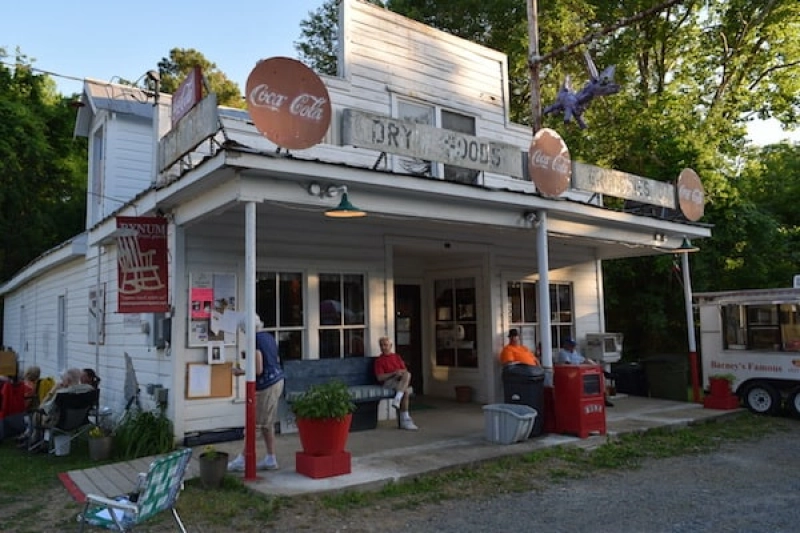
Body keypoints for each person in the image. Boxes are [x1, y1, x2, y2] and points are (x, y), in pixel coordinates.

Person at [228, 315, 285, 472]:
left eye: (243, 329)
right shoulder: (268, 337)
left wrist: (241, 371)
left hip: (266, 384)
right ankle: (270, 458)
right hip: (278, 379)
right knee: (267, 422)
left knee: (255, 423)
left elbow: (258, 369)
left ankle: (243, 459)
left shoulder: (255, 340)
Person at [24, 367, 94, 450]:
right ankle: (40, 441)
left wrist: (52, 391)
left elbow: (44, 408)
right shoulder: (89, 389)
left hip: (61, 423)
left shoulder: (61, 394)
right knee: (43, 415)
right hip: (80, 421)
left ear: (68, 380)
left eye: (63, 379)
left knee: (37, 414)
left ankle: (36, 440)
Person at [374, 337, 418, 430]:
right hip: (388, 382)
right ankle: (405, 420)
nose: (383, 347)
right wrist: (393, 373)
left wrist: (399, 372)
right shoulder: (379, 360)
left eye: (385, 345)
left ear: (390, 346)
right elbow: (380, 377)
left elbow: (404, 370)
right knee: (405, 392)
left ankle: (397, 399)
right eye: (381, 345)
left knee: (407, 374)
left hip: (399, 380)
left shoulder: (396, 357)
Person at [556, 338, 614, 407]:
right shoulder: (563, 353)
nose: (573, 347)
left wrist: (590, 363)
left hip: (579, 371)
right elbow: (569, 364)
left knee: (601, 377)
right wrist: (582, 365)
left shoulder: (574, 352)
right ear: (566, 345)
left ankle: (602, 372)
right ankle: (602, 372)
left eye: (573, 345)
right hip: (570, 374)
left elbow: (583, 360)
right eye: (571, 345)